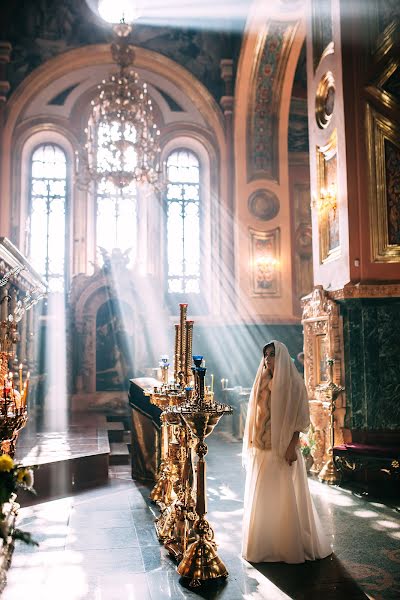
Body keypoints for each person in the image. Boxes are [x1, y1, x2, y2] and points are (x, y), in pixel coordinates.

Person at [242, 340, 332, 563]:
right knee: (264, 495)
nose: (267, 359)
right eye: (265, 355)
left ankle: (288, 546)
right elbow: (255, 416)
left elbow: (300, 419)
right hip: (263, 447)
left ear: (281, 355)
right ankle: (264, 545)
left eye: (272, 354)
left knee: (284, 495)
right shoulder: (261, 382)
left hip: (283, 448)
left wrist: (292, 445)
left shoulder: (294, 383)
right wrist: (253, 441)